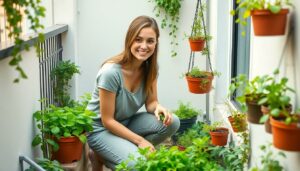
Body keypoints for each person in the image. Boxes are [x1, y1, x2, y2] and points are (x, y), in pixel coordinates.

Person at [86, 15, 180, 170]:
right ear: (130, 40)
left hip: (126, 122)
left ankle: (115, 153)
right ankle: (101, 154)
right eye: (138, 39)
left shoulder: (150, 69)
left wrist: (158, 107)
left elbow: (151, 102)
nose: (144, 46)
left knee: (172, 122)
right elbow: (107, 121)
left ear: (156, 43)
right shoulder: (111, 73)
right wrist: (140, 141)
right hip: (100, 130)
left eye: (150, 41)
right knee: (138, 164)